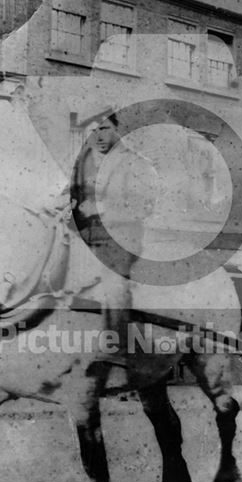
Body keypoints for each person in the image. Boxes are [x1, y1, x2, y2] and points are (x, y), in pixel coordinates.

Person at [70, 112, 158, 361]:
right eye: (93, 131)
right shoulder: (82, 162)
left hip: (119, 241)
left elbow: (144, 206)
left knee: (113, 286)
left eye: (105, 129)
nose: (98, 136)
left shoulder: (137, 163)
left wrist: (103, 208)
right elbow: (70, 195)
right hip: (84, 237)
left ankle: (116, 350)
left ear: (119, 129)